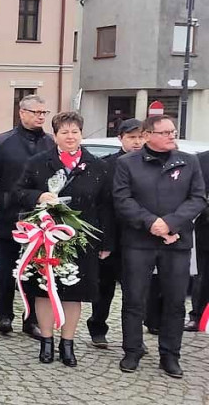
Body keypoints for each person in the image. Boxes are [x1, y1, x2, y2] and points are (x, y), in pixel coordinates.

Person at [13, 112, 115, 367]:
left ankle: (67, 343)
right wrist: (39, 196)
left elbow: (106, 207)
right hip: (46, 238)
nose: (70, 137)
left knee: (74, 293)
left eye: (75, 132)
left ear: (81, 133)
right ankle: (46, 341)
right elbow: (18, 192)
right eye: (64, 132)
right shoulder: (38, 162)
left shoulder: (98, 166)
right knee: (44, 291)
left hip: (82, 240)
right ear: (55, 135)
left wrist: (106, 242)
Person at [114, 115, 206, 378]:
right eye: (165, 132)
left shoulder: (189, 162)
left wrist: (170, 224)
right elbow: (122, 199)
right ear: (148, 135)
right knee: (134, 298)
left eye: (173, 132)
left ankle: (170, 355)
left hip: (176, 242)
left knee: (175, 301)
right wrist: (151, 222)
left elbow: (198, 198)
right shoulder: (127, 163)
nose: (171, 136)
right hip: (139, 242)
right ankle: (132, 350)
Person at [0, 95, 54, 338]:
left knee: (35, 270)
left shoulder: (50, 143)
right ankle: (4, 316)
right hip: (10, 217)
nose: (41, 117)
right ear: (22, 113)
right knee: (5, 271)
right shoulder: (3, 141)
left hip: (41, 221)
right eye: (36, 112)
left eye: (44, 113)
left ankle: (31, 318)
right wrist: (2, 205)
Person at [87, 118, 144, 348]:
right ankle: (98, 327)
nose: (137, 142)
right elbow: (101, 206)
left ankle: (133, 337)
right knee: (104, 288)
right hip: (112, 237)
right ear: (120, 138)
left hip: (140, 238)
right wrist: (105, 241)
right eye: (132, 137)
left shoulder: (151, 164)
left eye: (141, 137)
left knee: (136, 291)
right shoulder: (106, 165)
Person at [192, 150, 209, 332]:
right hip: (206, 228)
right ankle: (197, 315)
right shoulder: (201, 159)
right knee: (203, 276)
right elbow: (196, 195)